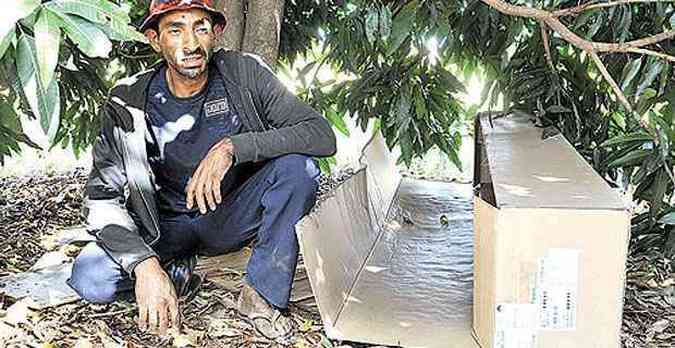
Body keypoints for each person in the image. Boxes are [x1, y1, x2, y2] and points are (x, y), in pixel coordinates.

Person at [67, 0, 336, 339]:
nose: (191, 43)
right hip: (164, 228)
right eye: (175, 29)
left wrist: (233, 147)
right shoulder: (129, 100)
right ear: (155, 39)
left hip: (228, 216)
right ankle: (173, 273)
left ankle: (261, 293)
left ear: (216, 33)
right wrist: (144, 265)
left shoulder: (243, 73)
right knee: (90, 278)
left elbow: (320, 135)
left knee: (300, 169)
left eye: (201, 28)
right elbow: (102, 197)